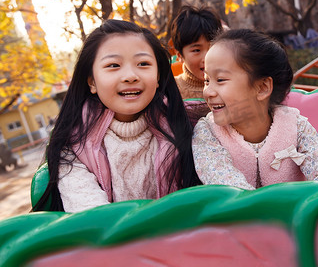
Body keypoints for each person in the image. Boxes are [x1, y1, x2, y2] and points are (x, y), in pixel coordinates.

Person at [33, 19, 201, 212]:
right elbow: (94, 217)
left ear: (158, 77)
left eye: (143, 63)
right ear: (92, 82)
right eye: (113, 65)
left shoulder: (191, 128)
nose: (130, 75)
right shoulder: (72, 147)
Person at [192, 29, 318, 190]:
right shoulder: (208, 132)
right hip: (241, 214)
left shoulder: (295, 127)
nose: (208, 91)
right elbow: (227, 185)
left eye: (220, 80)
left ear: (262, 88)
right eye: (207, 80)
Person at [170, 5, 223, 100]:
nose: (207, 58)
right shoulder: (170, 91)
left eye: (212, 48)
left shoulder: (232, 85)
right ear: (179, 55)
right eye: (196, 50)